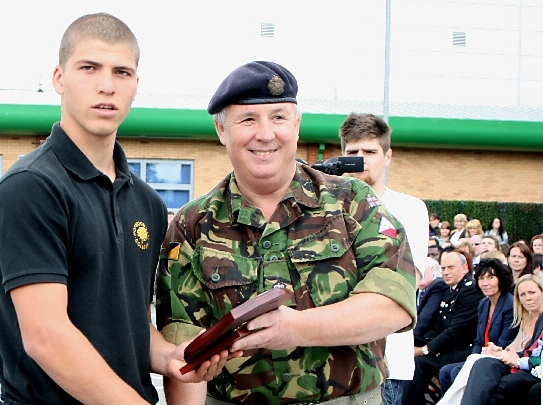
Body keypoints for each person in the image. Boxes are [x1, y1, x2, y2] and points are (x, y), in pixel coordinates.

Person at [0, 13, 230, 405]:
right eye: (89, 68)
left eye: (122, 72)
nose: (106, 86)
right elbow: (46, 337)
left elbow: (128, 320)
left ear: (136, 85)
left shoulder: (147, 202)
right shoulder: (31, 187)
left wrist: (169, 357)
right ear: (59, 78)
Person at [156, 61, 417, 405]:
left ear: (296, 126)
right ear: (221, 130)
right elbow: (186, 354)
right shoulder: (192, 225)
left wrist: (296, 328)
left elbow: (394, 303)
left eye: (279, 117)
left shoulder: (352, 201)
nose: (265, 133)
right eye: (248, 119)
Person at [338, 111, 429, 405]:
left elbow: (407, 282)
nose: (360, 158)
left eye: (370, 151)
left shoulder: (410, 209)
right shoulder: (322, 208)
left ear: (387, 156)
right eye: (353, 152)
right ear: (342, 155)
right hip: (327, 362)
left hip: (387, 362)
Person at [401, 250, 484, 405]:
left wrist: (424, 349)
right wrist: (410, 340)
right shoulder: (452, 289)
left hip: (461, 350)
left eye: (451, 267)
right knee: (405, 349)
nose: (445, 272)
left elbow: (454, 332)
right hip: (447, 346)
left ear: (465, 268)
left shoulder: (470, 290)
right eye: (443, 268)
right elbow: (438, 326)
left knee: (419, 362)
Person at [436, 258, 517, 403]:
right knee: (445, 371)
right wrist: (472, 360)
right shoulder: (484, 303)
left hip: (500, 358)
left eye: (491, 277)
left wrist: (482, 357)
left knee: (455, 372)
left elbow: (506, 341)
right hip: (481, 356)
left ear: (501, 279)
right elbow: (479, 341)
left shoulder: (510, 304)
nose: (485, 283)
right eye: (481, 278)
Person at [460, 275, 543, 405]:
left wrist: (518, 359)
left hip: (533, 368)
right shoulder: (527, 317)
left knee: (493, 385)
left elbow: (537, 357)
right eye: (523, 295)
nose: (528, 298)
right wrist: (502, 352)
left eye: (532, 292)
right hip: (520, 360)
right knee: (483, 363)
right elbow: (527, 350)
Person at [415, 257, 449, 337]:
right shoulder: (414, 289)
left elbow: (426, 318)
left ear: (431, 269)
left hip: (427, 337)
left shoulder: (439, 285)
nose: (417, 273)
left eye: (420, 269)